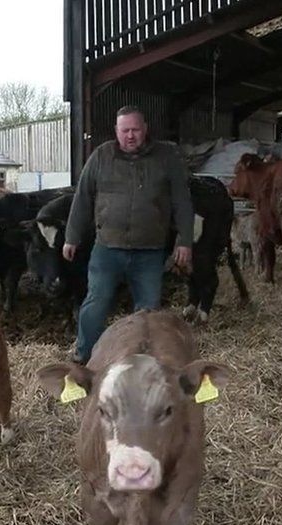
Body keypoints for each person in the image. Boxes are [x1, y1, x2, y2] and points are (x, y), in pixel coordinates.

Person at [63, 105, 194, 364]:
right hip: (108, 248)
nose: (130, 135)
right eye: (125, 130)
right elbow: (82, 198)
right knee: (96, 302)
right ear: (116, 131)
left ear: (145, 129)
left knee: (148, 310)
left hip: (149, 250)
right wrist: (71, 236)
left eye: (135, 129)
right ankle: (84, 355)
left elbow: (182, 201)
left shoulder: (166, 158)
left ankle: (143, 360)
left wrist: (185, 241)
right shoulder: (102, 157)